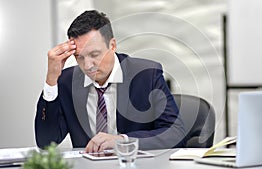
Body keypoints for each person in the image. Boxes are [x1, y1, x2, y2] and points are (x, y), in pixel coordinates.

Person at [35, 10, 186, 153]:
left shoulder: (146, 75)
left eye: (94, 54)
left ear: (112, 45)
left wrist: (123, 141)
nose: (87, 66)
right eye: (79, 57)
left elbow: (175, 133)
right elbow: (46, 142)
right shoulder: (67, 82)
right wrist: (51, 81)